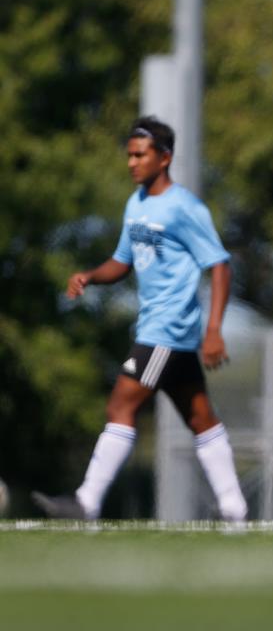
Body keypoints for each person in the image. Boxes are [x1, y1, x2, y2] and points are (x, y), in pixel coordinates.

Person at [32, 116, 248, 522]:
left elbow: (220, 266)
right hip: (160, 330)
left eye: (140, 155)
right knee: (200, 417)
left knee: (120, 405)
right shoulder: (136, 204)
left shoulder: (184, 207)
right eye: (129, 155)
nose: (132, 163)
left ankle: (87, 501)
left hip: (166, 328)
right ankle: (235, 508)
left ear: (164, 158)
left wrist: (214, 330)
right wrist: (91, 277)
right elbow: (122, 261)